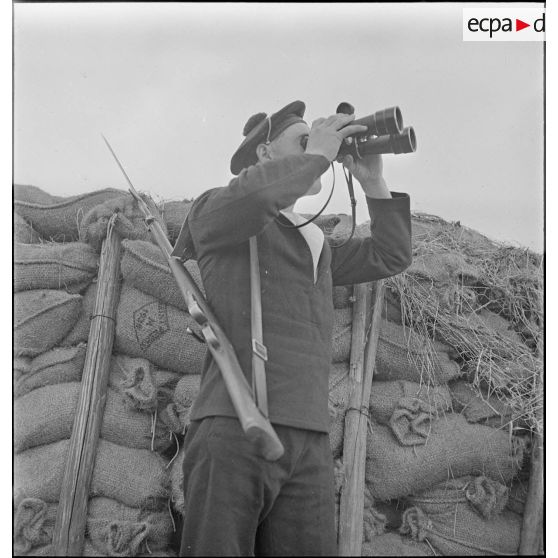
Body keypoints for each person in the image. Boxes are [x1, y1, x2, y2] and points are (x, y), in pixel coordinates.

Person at [173, 100, 412, 556]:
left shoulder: (313, 240)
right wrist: (319, 154)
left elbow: (390, 256)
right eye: (303, 139)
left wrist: (373, 180)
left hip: (307, 436)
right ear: (264, 155)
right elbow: (259, 197)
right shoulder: (219, 211)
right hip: (234, 425)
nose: (321, 146)